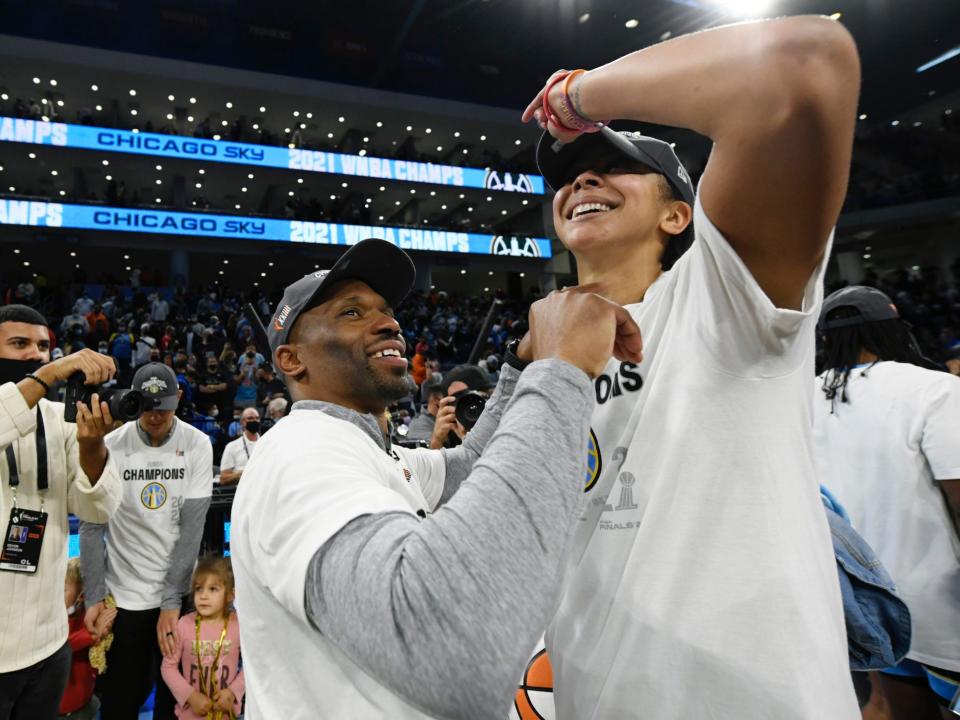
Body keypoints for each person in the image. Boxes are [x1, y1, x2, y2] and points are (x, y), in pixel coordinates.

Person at [516, 14, 861, 718]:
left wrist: (580, 100)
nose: (583, 175)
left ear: (679, 216)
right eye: (571, 173)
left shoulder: (722, 295)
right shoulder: (543, 358)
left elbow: (805, 64)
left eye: (616, 167)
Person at [230, 238, 641, 718]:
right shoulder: (301, 452)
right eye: (351, 313)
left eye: (386, 311)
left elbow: (468, 466)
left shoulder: (370, 449)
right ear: (291, 360)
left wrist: (521, 364)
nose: (390, 323)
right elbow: (454, 644)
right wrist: (560, 371)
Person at [813, 286, 960, 718]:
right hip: (941, 602)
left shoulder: (796, 399)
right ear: (892, 328)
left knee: (893, 707)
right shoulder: (934, 389)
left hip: (863, 598)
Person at [0, 304, 122, 720]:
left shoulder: (60, 418)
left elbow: (97, 507)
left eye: (43, 347)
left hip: (46, 643)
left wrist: (92, 447)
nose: (35, 354)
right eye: (19, 344)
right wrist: (49, 373)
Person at [80, 363, 213, 720]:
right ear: (134, 401)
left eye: (165, 406)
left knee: (176, 701)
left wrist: (172, 600)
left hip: (179, 591)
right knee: (121, 699)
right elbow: (92, 525)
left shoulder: (197, 444)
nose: (157, 415)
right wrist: (94, 594)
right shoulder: (111, 444)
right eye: (148, 406)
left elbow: (192, 529)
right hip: (125, 596)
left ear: (180, 399)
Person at [160, 556, 243, 720]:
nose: (203, 596)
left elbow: (253, 666)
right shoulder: (184, 624)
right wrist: (190, 696)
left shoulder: (238, 625)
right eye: (199, 589)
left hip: (226, 714)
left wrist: (233, 691)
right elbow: (167, 668)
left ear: (230, 595)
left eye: (213, 589)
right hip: (191, 715)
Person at [59, 558, 116, 720]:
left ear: (82, 595)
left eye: (63, 590)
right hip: (58, 707)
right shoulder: (52, 617)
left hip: (84, 701)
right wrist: (92, 634)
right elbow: (63, 644)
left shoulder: (88, 616)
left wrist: (101, 631)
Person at [219, 408, 259, 486]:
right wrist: (244, 473)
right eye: (250, 418)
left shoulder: (266, 444)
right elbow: (223, 479)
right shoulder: (232, 447)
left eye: (257, 418)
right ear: (242, 422)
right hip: (240, 488)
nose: (255, 421)